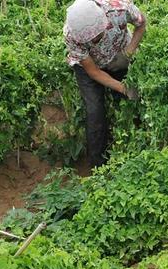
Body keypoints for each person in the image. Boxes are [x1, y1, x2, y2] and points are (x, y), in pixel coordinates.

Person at [64, 0, 146, 168]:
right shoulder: (71, 34)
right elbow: (93, 72)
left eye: (97, 37)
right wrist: (123, 88)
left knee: (129, 105)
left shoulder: (120, 9)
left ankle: (139, 150)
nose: (94, 41)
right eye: (89, 40)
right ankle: (98, 167)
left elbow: (141, 24)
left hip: (118, 54)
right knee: (95, 112)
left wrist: (128, 53)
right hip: (88, 66)